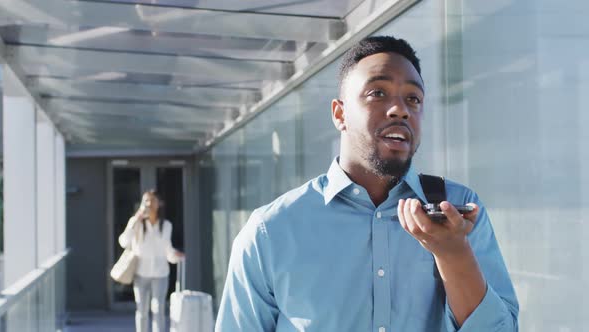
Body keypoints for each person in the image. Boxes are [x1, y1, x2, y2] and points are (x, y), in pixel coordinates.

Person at [215, 36, 519, 331]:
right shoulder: (271, 230)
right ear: (340, 113)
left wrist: (453, 255)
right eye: (378, 93)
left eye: (413, 98)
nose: (400, 109)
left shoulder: (458, 213)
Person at [119, 189, 184, 332]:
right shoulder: (136, 223)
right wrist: (135, 220)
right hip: (140, 274)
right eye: (146, 201)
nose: (148, 203)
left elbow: (168, 251)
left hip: (160, 274)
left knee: (158, 310)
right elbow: (123, 242)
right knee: (142, 311)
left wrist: (176, 256)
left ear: (158, 203)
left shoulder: (166, 225)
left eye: (152, 200)